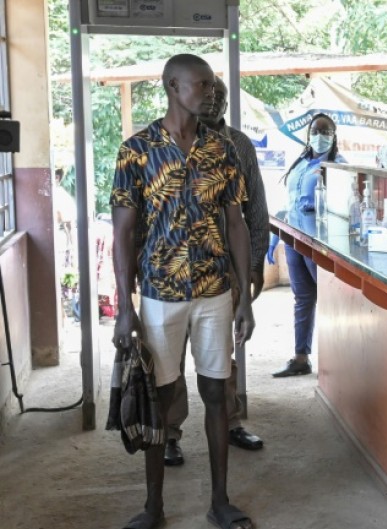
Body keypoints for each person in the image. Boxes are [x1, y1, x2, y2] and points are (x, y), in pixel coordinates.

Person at [111, 54, 255, 529]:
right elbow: (123, 234)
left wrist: (245, 298)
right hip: (159, 293)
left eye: (212, 85)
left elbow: (236, 224)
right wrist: (124, 308)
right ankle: (154, 507)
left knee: (217, 392)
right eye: (201, 84)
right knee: (160, 396)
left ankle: (219, 501)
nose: (210, 92)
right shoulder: (137, 150)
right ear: (174, 86)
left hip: (214, 290)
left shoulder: (223, 149)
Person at [163, 77, 269, 468]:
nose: (212, 102)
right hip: (170, 276)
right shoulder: (161, 143)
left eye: (219, 96)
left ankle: (231, 422)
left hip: (223, 272)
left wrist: (254, 264)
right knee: (169, 360)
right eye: (207, 94)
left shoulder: (237, 146)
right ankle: (171, 433)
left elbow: (254, 209)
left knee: (222, 356)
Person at [269, 113, 347, 378]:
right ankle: (301, 357)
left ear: (334, 136)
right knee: (303, 298)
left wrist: (320, 206)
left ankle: (336, 361)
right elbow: (290, 200)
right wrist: (276, 232)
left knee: (328, 300)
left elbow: (345, 205)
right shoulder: (301, 161)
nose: (320, 135)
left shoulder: (338, 164)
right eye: (316, 130)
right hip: (293, 238)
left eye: (326, 131)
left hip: (319, 243)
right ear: (308, 133)